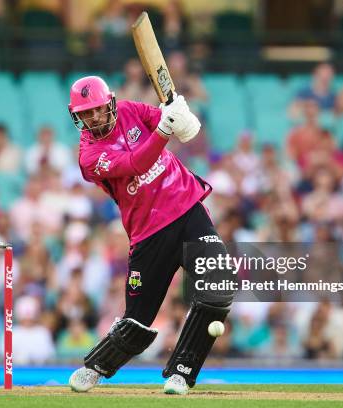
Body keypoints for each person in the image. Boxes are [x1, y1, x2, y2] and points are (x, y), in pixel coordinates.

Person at [66, 76, 233, 395]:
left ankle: (182, 373)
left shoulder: (131, 110)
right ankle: (95, 369)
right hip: (148, 233)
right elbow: (136, 163)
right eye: (86, 114)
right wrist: (164, 131)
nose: (94, 119)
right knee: (137, 322)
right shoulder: (88, 157)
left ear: (110, 103)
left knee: (219, 285)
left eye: (98, 110)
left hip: (186, 209)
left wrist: (181, 115)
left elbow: (186, 130)